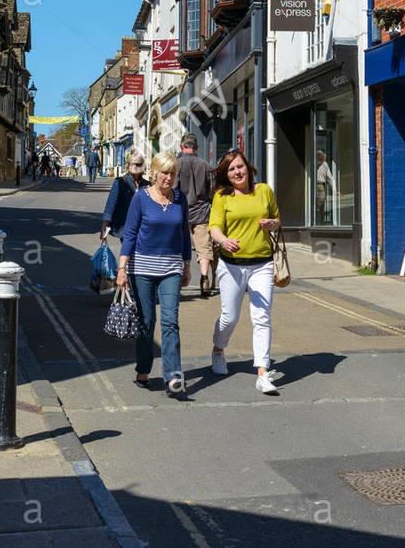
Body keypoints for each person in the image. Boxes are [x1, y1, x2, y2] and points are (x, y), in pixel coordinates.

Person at [116, 151, 191, 396]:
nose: (169, 178)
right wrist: (122, 268)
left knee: (171, 322)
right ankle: (144, 368)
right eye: (164, 173)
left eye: (173, 174)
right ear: (154, 173)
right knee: (147, 322)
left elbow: (184, 234)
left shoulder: (180, 199)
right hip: (142, 270)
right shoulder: (141, 198)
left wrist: (187, 264)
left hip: (171, 268)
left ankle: (173, 376)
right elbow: (130, 234)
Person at [208, 150, 283, 394]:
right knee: (230, 317)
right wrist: (223, 241)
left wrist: (272, 224)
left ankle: (262, 372)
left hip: (262, 263)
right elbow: (214, 228)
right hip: (231, 266)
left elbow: (276, 219)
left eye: (239, 167)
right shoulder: (222, 196)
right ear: (226, 176)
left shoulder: (264, 191)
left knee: (262, 316)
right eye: (231, 170)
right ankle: (218, 349)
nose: (237, 172)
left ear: (248, 167)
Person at [177, 134, 216, 298]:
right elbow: (213, 190)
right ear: (197, 147)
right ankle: (205, 278)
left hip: (181, 213)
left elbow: (172, 189)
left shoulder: (176, 164)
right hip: (202, 212)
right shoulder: (206, 165)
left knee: (178, 248)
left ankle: (177, 281)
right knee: (204, 248)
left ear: (181, 146)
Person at [102, 150, 148, 244]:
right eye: (132, 164)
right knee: (128, 252)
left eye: (138, 164)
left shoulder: (147, 185)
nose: (135, 166)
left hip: (142, 227)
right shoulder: (119, 182)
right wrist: (104, 227)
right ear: (128, 165)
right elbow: (110, 205)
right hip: (125, 225)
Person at [315, 150, 335, 226]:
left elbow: (329, 178)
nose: (325, 157)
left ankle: (320, 223)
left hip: (320, 186)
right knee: (317, 205)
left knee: (321, 204)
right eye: (320, 155)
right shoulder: (315, 163)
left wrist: (334, 189)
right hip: (314, 186)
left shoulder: (325, 164)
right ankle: (317, 222)